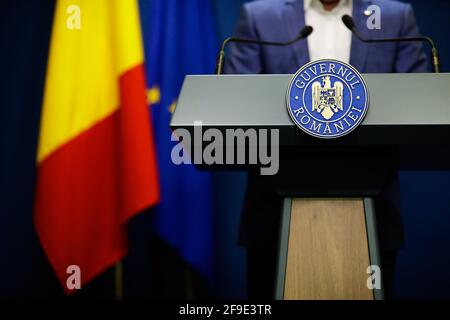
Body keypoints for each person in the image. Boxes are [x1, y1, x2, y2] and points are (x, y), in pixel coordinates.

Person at [225, 0, 428, 299]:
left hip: (373, 204)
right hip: (273, 206)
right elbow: (237, 101)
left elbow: (418, 99)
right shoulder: (259, 17)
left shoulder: (394, 17)